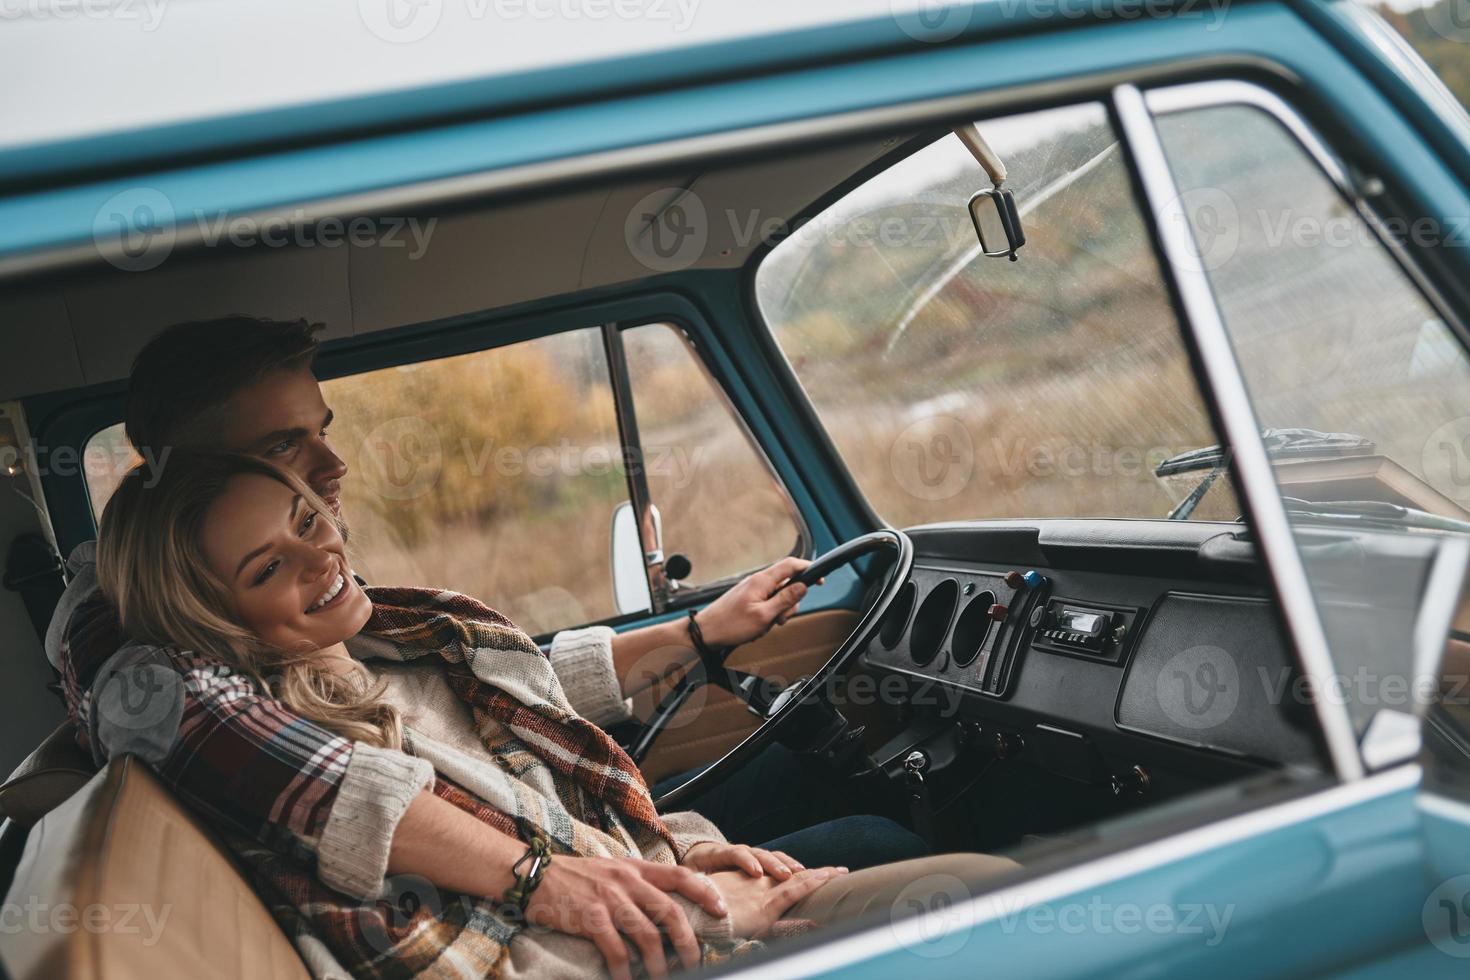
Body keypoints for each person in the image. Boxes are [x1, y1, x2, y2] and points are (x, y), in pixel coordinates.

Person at [48, 315, 926, 871]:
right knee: (882, 847)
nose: (333, 468)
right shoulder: (141, 638)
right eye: (284, 447)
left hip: (581, 816)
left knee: (794, 769)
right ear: (193, 480)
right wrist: (561, 884)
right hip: (571, 856)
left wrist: (697, 634)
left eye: (322, 430)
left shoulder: (312, 594)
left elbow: (482, 684)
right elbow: (174, 713)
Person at [91, 452, 1016, 978]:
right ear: (213, 620)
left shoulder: (411, 643)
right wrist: (703, 916)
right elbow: (476, 941)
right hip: (655, 946)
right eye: (265, 568)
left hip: (670, 892)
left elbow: (556, 746)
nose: (319, 549)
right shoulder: (298, 756)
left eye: (304, 518)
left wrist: (688, 848)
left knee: (961, 871)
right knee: (990, 899)